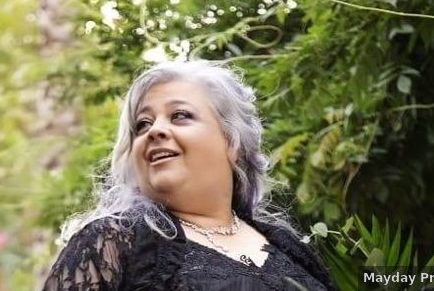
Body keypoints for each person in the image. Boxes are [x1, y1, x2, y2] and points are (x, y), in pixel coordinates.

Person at [43, 60, 335, 290]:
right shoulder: (112, 243)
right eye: (142, 124)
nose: (154, 130)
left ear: (233, 144)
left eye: (180, 115)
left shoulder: (290, 247)